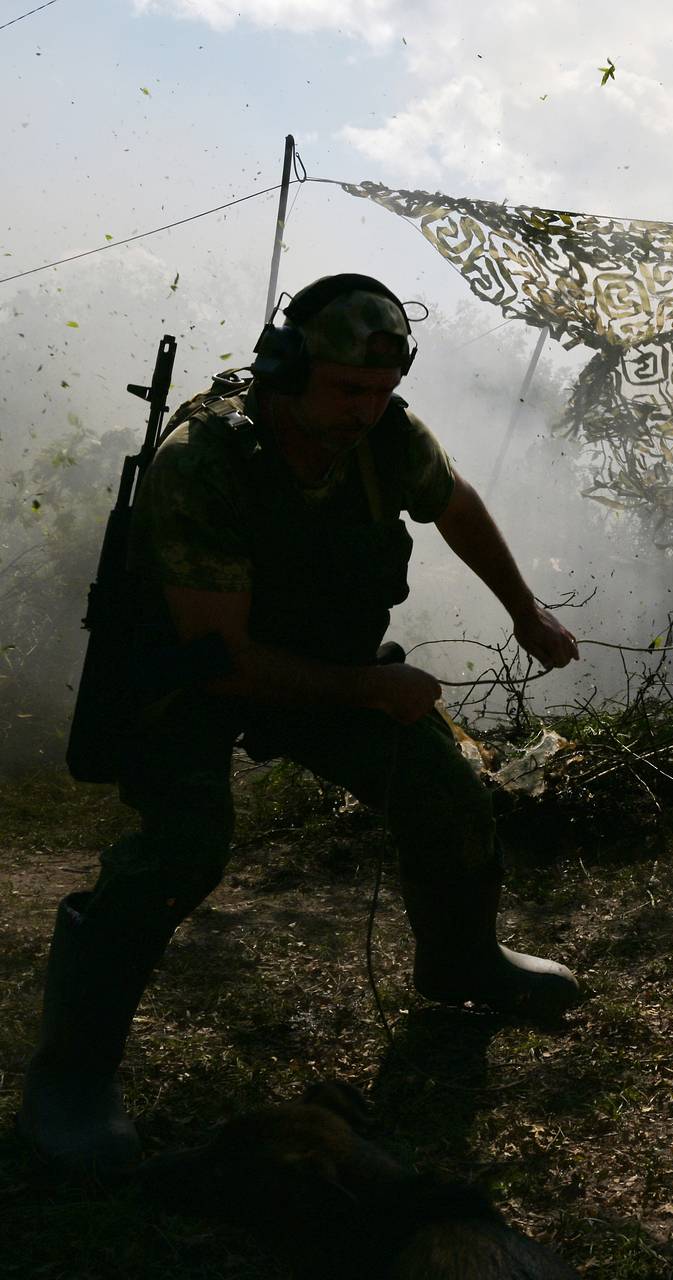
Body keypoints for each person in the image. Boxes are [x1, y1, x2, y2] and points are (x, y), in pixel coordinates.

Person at [20, 273, 581, 1176]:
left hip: (321, 668)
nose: (365, 411)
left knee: (440, 784)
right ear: (286, 370)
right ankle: (71, 1078)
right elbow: (226, 658)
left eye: (381, 392)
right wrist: (366, 689)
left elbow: (454, 502)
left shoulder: (382, 436)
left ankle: (461, 962)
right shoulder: (206, 461)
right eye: (346, 391)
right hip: (189, 680)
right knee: (182, 849)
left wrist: (524, 608)